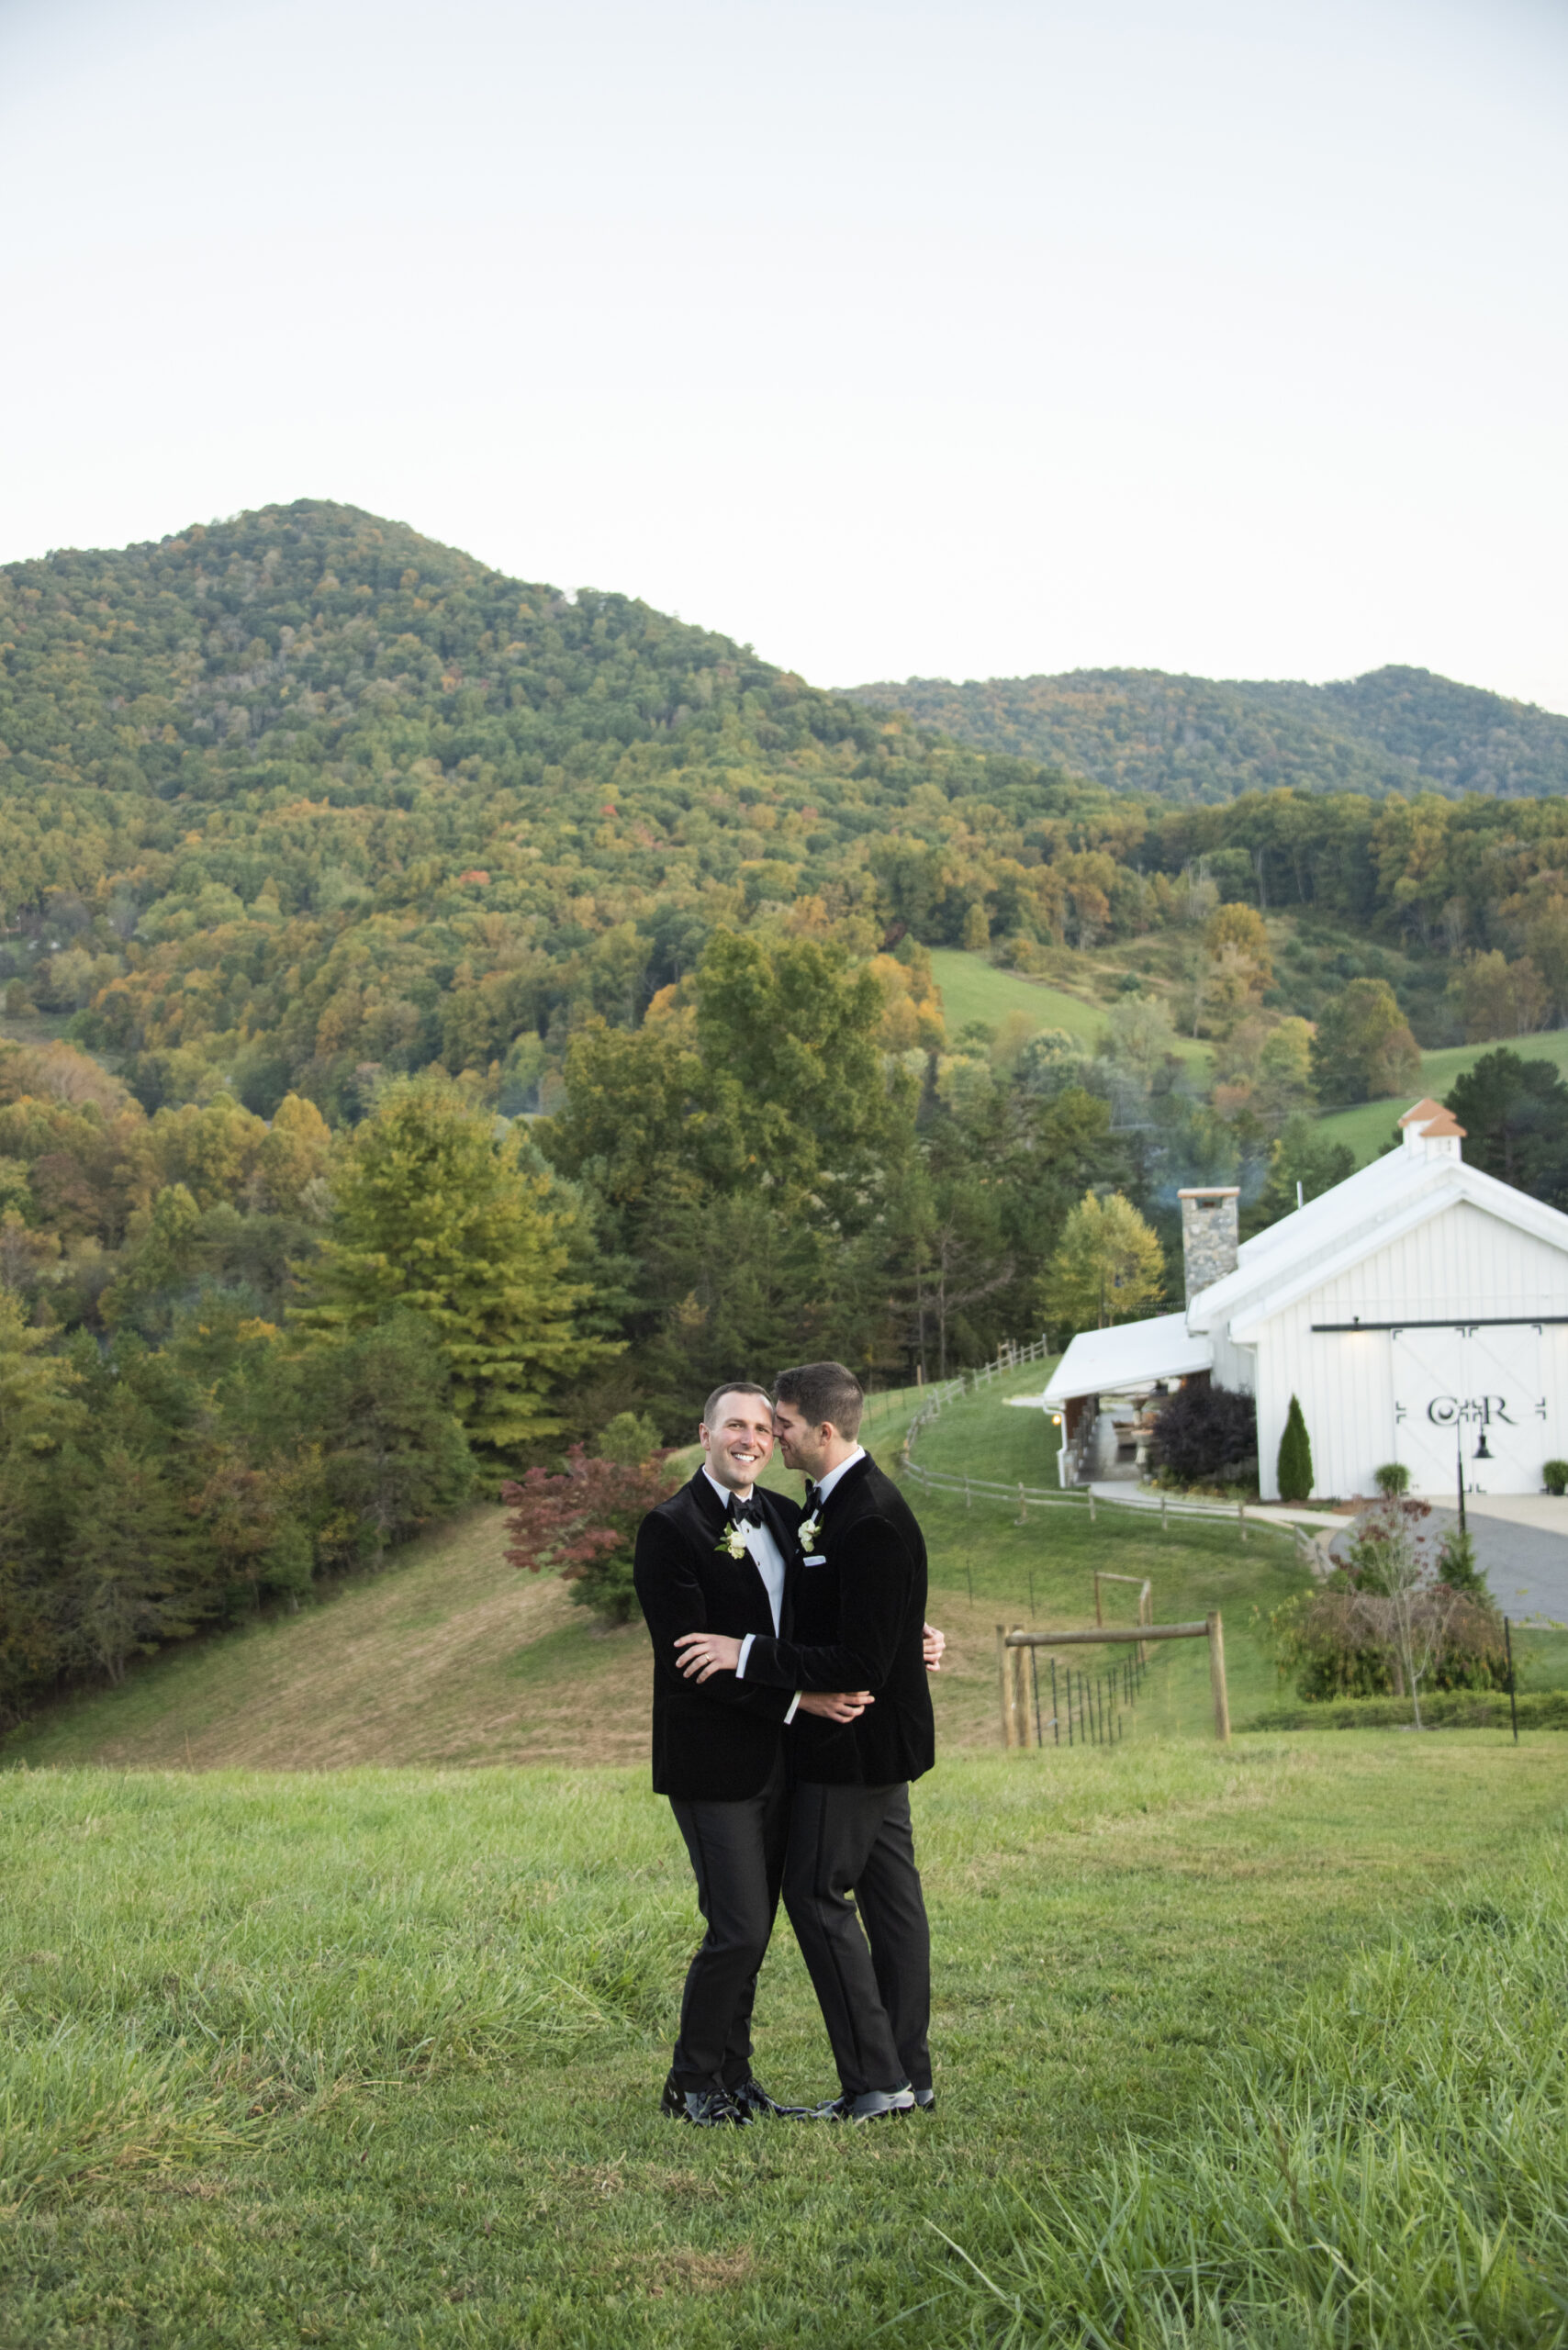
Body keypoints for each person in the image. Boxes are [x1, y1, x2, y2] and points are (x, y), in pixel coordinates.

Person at [676, 1361, 937, 2123]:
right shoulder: (824, 1506)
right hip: (868, 1737)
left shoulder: (868, 1512)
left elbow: (859, 1652)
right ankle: (907, 2078)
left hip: (853, 1739)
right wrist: (902, 1632)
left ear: (822, 1432)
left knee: (816, 1896)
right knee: (892, 1903)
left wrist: (746, 1654)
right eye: (754, 1423)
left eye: (779, 1422)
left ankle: (875, 2083)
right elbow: (853, 1611)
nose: (771, 1435)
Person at [633, 1382, 871, 2128]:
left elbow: (840, 1606)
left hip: (786, 1763)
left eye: (764, 1428)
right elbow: (689, 1662)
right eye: (734, 1425)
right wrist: (797, 1699)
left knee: (756, 1927)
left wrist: (908, 1636)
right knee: (735, 1927)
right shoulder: (669, 1528)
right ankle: (690, 2083)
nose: (751, 1439)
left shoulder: (785, 1516)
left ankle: (734, 2080)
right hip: (711, 1764)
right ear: (702, 1433)